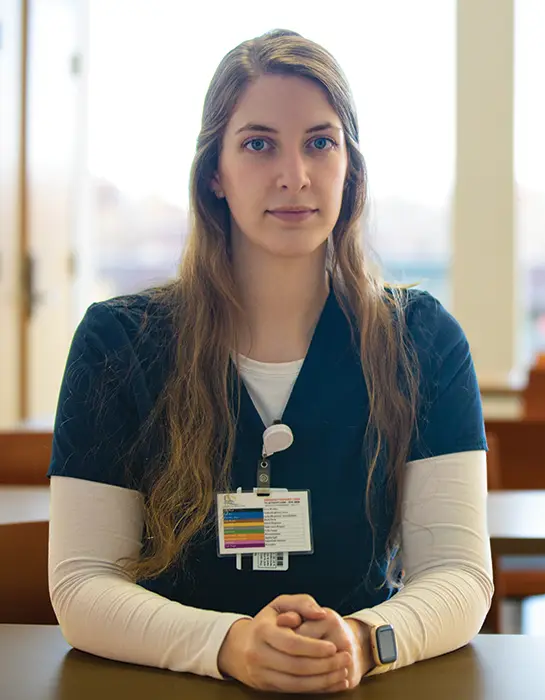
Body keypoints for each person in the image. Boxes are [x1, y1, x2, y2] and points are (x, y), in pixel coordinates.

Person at [46, 29, 493, 694]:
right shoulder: (118, 343)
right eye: (259, 144)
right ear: (215, 174)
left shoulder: (422, 340)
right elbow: (81, 586)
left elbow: (459, 575)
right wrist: (227, 645)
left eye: (319, 142)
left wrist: (366, 641)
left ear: (351, 169)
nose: (294, 176)